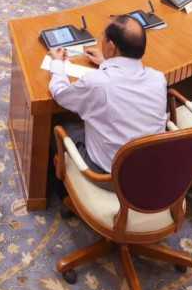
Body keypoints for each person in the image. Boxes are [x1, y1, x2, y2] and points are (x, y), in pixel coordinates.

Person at [48, 15, 167, 174]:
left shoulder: (99, 83)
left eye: (103, 37)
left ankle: (59, 191)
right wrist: (106, 62)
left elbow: (61, 94)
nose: (101, 40)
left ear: (111, 46)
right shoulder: (158, 79)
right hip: (151, 170)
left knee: (59, 124)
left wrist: (57, 63)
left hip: (110, 177)